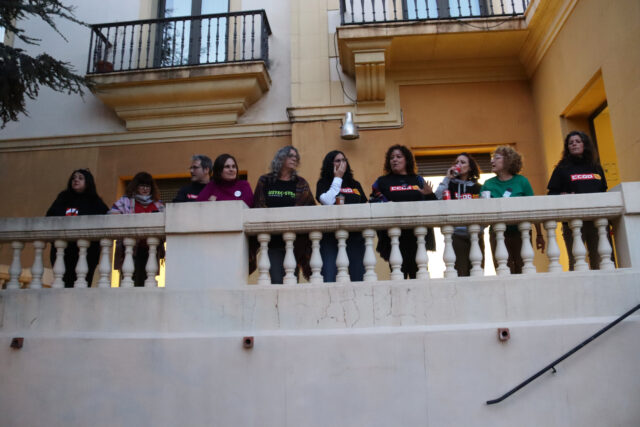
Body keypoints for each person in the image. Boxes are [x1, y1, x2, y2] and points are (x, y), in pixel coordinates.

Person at [370, 144, 437, 279]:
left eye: (399, 157)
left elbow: (432, 207)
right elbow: (373, 200)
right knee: (398, 277)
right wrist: (386, 204)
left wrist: (430, 195)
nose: (394, 160)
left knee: (419, 276)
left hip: (417, 237)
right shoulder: (382, 182)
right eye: (392, 157)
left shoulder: (418, 180)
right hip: (393, 237)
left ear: (407, 160)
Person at [547, 131, 611, 270]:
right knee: (576, 262)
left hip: (597, 222)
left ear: (585, 144)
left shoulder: (596, 167)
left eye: (577, 141)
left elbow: (603, 191)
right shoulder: (562, 169)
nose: (574, 144)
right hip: (573, 223)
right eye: (570, 143)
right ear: (567, 147)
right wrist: (562, 196)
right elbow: (552, 193)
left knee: (600, 261)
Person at [253, 146, 316, 284]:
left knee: (292, 281)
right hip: (272, 242)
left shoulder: (301, 183)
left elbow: (310, 208)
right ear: (281, 158)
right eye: (290, 156)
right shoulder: (265, 181)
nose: (294, 159)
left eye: (296, 157)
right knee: (277, 280)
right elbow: (258, 206)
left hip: (295, 243)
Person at [481, 146, 545, 274]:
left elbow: (533, 208)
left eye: (497, 158)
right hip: (498, 234)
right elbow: (483, 210)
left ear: (508, 160)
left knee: (524, 268)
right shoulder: (488, 184)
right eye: (492, 158)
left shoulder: (522, 182)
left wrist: (539, 235)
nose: (492, 161)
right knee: (503, 270)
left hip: (520, 233)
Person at [46, 169, 109, 287]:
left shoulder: (95, 201)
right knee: (63, 283)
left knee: (82, 283)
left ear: (88, 182)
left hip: (86, 252)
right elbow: (50, 217)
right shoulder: (63, 197)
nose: (76, 180)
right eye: (74, 178)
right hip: (64, 251)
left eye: (80, 178)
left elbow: (105, 219)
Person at [316, 150, 367, 282]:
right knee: (329, 276)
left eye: (344, 160)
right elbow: (327, 201)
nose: (342, 163)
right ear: (330, 164)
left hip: (355, 237)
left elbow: (363, 205)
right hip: (330, 237)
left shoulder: (355, 184)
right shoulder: (323, 183)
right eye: (337, 161)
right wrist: (338, 178)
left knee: (358, 277)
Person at [109, 172, 165, 286]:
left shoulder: (158, 204)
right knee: (129, 281)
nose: (145, 189)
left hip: (151, 250)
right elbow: (111, 216)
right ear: (135, 186)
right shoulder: (125, 201)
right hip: (130, 249)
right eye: (142, 185)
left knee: (148, 281)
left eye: (148, 186)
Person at [434, 153, 484, 276]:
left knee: (477, 273)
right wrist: (447, 178)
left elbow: (485, 210)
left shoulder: (478, 187)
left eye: (462, 162)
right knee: (460, 273)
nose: (458, 165)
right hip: (456, 235)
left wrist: (480, 228)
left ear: (470, 167)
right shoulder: (450, 185)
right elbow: (436, 199)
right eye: (456, 162)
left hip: (476, 235)